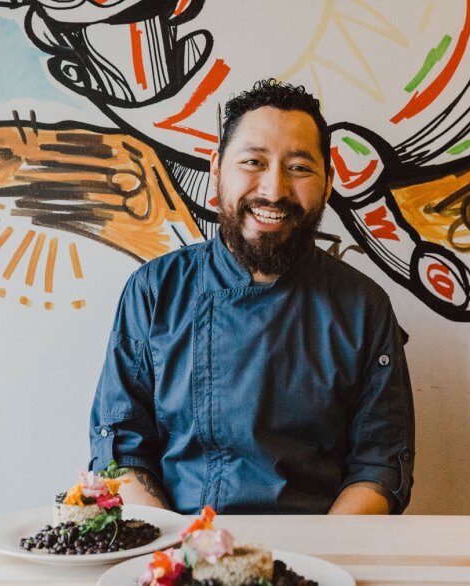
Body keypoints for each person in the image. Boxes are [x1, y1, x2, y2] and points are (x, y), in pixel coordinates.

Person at [89, 79, 414, 515]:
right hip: (179, 547)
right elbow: (120, 449)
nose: (274, 190)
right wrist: (181, 554)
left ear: (329, 182)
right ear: (217, 169)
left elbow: (379, 464)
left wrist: (319, 566)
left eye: (299, 167)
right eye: (253, 162)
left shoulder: (364, 307)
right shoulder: (153, 291)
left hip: (319, 553)